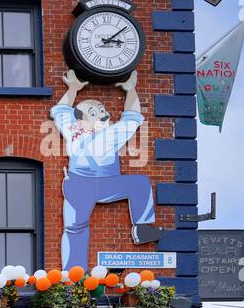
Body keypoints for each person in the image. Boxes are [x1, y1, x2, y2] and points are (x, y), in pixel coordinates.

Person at [51, 69, 163, 271]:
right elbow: (132, 118)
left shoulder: (72, 131)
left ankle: (73, 276)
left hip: (76, 186)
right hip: (100, 185)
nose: (104, 114)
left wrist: (73, 89)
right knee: (139, 184)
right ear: (83, 120)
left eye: (103, 110)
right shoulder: (109, 135)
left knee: (74, 230)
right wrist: (131, 90)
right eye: (95, 113)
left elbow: (60, 111)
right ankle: (142, 228)